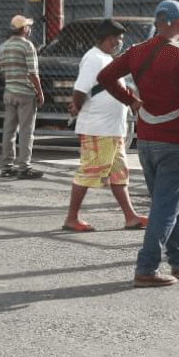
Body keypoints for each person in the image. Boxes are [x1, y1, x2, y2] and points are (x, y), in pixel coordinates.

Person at [98, 0, 179, 288]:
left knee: (167, 202)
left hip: (147, 142)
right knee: (165, 206)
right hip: (176, 141)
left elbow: (105, 77)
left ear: (156, 23)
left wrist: (131, 101)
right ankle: (146, 268)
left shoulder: (137, 52)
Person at [62, 19, 147, 232]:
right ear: (109, 39)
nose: (119, 43)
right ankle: (71, 218)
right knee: (90, 171)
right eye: (117, 40)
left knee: (119, 173)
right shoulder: (94, 59)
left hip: (110, 130)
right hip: (98, 129)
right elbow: (81, 89)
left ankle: (130, 217)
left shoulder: (105, 58)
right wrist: (77, 107)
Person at [0, 14, 45, 179]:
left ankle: (6, 167)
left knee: (9, 131)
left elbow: (3, 71)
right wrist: (40, 92)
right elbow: (33, 73)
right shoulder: (27, 46)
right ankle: (24, 167)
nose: (29, 29)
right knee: (26, 131)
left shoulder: (4, 47)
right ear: (24, 29)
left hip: (9, 92)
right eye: (27, 26)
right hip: (25, 93)